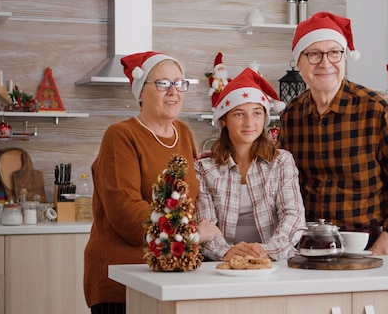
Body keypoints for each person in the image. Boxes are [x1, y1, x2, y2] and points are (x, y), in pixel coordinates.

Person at [83, 51, 222, 314]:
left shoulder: (182, 132)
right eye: (162, 83)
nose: (173, 91)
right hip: (124, 278)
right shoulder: (120, 136)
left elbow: (181, 195)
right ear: (139, 92)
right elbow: (126, 212)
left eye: (180, 83)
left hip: (170, 274)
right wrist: (192, 233)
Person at [278, 12, 388, 256]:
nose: (325, 63)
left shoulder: (374, 110)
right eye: (313, 54)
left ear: (344, 58)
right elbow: (278, 184)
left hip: (368, 247)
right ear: (299, 64)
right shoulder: (291, 117)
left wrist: (381, 250)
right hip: (309, 248)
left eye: (334, 52)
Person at [195, 67, 305, 261]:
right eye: (239, 114)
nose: (249, 123)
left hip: (274, 264)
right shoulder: (204, 169)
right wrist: (227, 252)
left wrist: (267, 251)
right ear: (224, 120)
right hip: (221, 266)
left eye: (256, 113)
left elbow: (293, 217)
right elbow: (206, 224)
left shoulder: (281, 161)